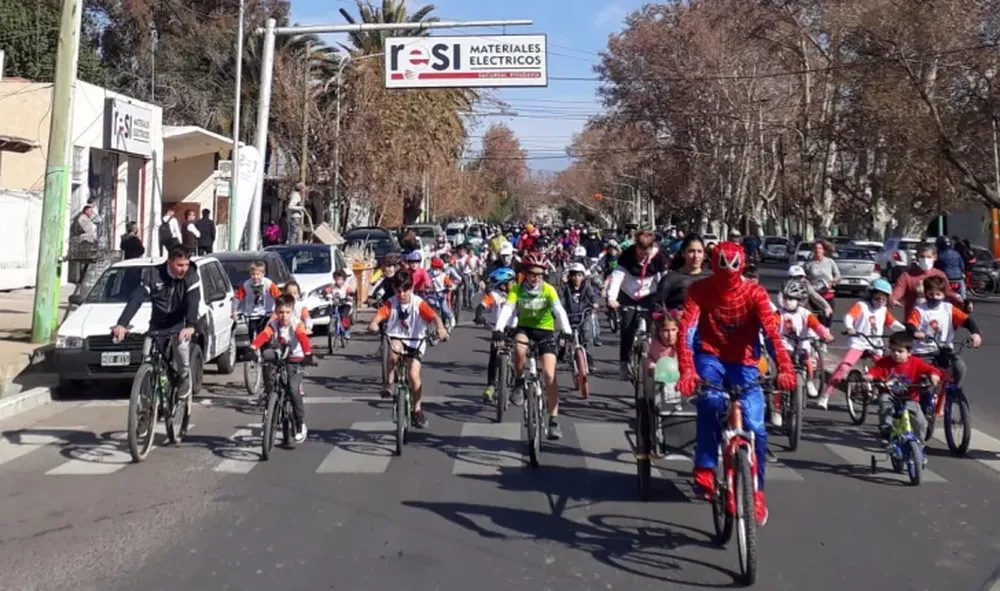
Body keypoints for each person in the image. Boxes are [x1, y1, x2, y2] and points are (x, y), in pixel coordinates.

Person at [676, 242, 796, 526]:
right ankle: (704, 468)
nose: (727, 271)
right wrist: (686, 370)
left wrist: (786, 367)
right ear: (713, 263)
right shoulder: (699, 291)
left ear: (741, 264)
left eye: (733, 264)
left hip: (745, 363)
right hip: (710, 356)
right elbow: (686, 332)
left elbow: (772, 335)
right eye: (722, 263)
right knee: (710, 401)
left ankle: (757, 494)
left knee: (756, 426)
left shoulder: (755, 293)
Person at [492, 252, 572, 438]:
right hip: (525, 329)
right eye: (533, 274)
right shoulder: (516, 290)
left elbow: (559, 311)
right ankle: (519, 381)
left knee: (550, 376)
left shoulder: (549, 290)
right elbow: (508, 309)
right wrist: (499, 328)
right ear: (525, 274)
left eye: (540, 274)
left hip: (545, 331)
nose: (536, 278)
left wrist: (566, 331)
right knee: (519, 350)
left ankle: (553, 420)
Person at [111, 245, 199, 399]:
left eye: (186, 264)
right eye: (180, 265)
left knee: (181, 350)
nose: (184, 269)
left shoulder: (191, 276)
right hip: (157, 324)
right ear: (169, 262)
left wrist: (190, 326)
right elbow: (137, 298)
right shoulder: (154, 274)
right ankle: (148, 397)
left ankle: (184, 378)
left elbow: (193, 302)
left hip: (179, 323)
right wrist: (122, 323)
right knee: (147, 357)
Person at [368, 270, 449, 429]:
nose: (402, 294)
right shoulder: (391, 303)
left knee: (413, 374)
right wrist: (373, 324)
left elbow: (434, 317)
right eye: (398, 290)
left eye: (405, 290)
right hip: (396, 336)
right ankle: (388, 384)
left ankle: (417, 410)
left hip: (416, 340)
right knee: (392, 355)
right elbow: (379, 316)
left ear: (411, 288)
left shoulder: (418, 303)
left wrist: (440, 328)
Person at [819, 278, 904, 409]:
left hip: (875, 343)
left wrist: (906, 330)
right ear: (871, 295)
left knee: (886, 368)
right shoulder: (861, 306)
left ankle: (881, 393)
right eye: (877, 297)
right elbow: (849, 317)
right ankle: (826, 395)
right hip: (858, 341)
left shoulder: (883, 310)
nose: (880, 301)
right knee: (844, 367)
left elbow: (892, 324)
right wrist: (849, 327)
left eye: (883, 298)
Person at [906, 275, 982, 416]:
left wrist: (975, 333)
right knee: (927, 382)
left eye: (938, 294)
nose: (934, 297)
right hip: (924, 351)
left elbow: (967, 321)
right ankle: (922, 405)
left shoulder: (948, 308)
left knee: (959, 366)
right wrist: (915, 332)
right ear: (926, 293)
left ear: (943, 294)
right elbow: (911, 324)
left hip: (944, 349)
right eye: (931, 294)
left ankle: (953, 392)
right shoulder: (919, 309)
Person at [608, 227, 671, 379]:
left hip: (650, 294)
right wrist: (612, 298)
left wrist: (666, 301)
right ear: (635, 247)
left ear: (652, 248)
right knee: (627, 329)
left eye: (646, 252)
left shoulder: (660, 257)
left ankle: (657, 360)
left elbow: (666, 280)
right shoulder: (628, 255)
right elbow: (617, 277)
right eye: (640, 251)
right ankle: (624, 363)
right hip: (629, 294)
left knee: (658, 329)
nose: (643, 255)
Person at [250, 294, 314, 441]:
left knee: (292, 389)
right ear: (276, 312)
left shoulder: (296, 324)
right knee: (270, 381)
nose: (284, 316)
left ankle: (300, 424)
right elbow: (264, 335)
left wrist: (308, 354)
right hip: (279, 356)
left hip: (295, 359)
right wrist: (253, 347)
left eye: (287, 312)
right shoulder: (273, 324)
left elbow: (303, 339)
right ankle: (270, 411)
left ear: (292, 311)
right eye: (280, 312)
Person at [864, 331, 941, 444]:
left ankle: (920, 445)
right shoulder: (885, 362)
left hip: (910, 397)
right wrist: (870, 375)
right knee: (884, 401)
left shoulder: (916, 362)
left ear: (909, 352)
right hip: (891, 395)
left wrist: (934, 375)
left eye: (900, 351)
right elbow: (876, 370)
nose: (896, 354)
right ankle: (887, 429)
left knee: (921, 423)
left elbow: (930, 369)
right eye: (893, 350)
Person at [775, 281, 834, 423]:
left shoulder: (805, 314)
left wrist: (825, 335)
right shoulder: (779, 313)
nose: (788, 302)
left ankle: (809, 381)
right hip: (785, 344)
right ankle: (776, 407)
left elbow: (817, 326)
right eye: (787, 298)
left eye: (792, 299)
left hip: (802, 343)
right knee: (779, 374)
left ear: (799, 300)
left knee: (807, 360)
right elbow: (772, 324)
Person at [475, 266, 517, 402]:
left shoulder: (517, 294)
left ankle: (517, 385)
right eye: (511, 282)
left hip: (513, 329)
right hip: (497, 331)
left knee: (518, 356)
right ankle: (491, 386)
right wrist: (479, 314)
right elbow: (482, 305)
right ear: (503, 285)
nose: (514, 284)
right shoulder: (494, 295)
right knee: (493, 357)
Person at [891, 243, 965, 320]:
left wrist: (958, 297)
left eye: (929, 257)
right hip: (913, 321)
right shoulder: (907, 275)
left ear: (935, 257)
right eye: (922, 257)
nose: (925, 260)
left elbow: (947, 291)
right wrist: (893, 298)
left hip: (936, 321)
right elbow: (899, 289)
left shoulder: (940, 275)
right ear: (917, 258)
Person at [233, 261, 284, 359]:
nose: (255, 277)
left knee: (264, 333)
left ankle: (266, 352)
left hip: (267, 312)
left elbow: (278, 297)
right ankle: (253, 352)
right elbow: (238, 298)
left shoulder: (268, 284)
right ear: (250, 274)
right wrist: (234, 311)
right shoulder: (246, 285)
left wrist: (277, 311)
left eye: (258, 274)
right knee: (252, 332)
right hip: (252, 313)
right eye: (253, 274)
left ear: (263, 274)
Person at [558, 262, 599, 368]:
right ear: (569, 277)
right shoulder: (566, 288)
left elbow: (592, 295)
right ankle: (561, 353)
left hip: (583, 315)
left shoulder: (586, 287)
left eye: (579, 275)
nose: (576, 278)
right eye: (574, 275)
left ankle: (588, 359)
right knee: (563, 337)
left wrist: (594, 303)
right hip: (569, 315)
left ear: (583, 276)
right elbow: (559, 296)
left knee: (586, 335)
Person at [657, 234, 709, 313]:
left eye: (699, 251)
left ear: (704, 255)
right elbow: (656, 306)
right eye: (691, 251)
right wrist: (672, 316)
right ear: (683, 253)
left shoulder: (711, 277)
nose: (696, 256)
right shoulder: (670, 279)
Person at [804, 240, 840, 328]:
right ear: (813, 250)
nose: (818, 250)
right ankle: (820, 335)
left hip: (828, 293)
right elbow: (803, 278)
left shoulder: (830, 262)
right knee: (821, 316)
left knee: (829, 316)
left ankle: (825, 333)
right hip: (815, 294)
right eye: (816, 248)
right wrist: (807, 285)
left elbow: (838, 275)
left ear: (824, 250)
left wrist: (832, 282)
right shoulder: (808, 264)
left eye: (820, 248)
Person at [325, 270, 356, 338]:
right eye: (336, 279)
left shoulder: (346, 286)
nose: (338, 281)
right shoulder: (333, 286)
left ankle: (347, 330)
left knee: (344, 315)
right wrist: (324, 292)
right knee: (331, 312)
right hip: (336, 303)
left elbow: (350, 291)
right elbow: (327, 290)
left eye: (339, 279)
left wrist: (351, 294)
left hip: (346, 303)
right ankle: (333, 325)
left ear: (344, 280)